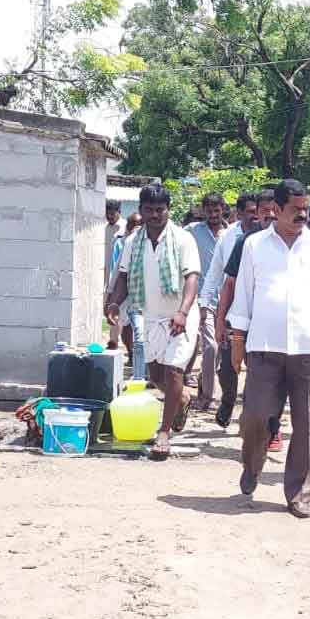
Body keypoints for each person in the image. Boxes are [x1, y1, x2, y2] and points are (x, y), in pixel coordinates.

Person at [227, 179, 310, 518]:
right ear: (277, 209)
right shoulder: (254, 245)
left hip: (308, 348)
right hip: (264, 346)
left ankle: (299, 493)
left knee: (307, 423)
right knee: (255, 415)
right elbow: (243, 296)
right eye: (296, 209)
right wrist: (237, 342)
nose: (303, 215)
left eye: (306, 208)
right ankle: (252, 465)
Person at [106, 184, 202, 460]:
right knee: (157, 376)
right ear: (141, 210)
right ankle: (180, 399)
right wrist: (115, 303)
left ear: (168, 210)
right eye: (149, 210)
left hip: (180, 316)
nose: (155, 215)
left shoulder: (183, 239)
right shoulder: (133, 241)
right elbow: (124, 276)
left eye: (160, 209)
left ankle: (164, 432)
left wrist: (183, 312)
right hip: (149, 317)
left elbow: (192, 277)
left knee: (173, 371)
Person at [215, 191, 282, 451]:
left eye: (274, 209)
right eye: (264, 210)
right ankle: (234, 405)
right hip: (242, 322)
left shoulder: (294, 242)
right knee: (233, 370)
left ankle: (272, 428)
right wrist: (221, 320)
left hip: (274, 324)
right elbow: (230, 284)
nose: (270, 215)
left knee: (269, 378)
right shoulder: (246, 242)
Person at [203, 191, 258, 428]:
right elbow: (216, 273)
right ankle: (228, 399)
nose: (256, 217)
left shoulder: (268, 239)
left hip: (259, 315)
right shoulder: (228, 238)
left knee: (257, 367)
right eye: (251, 213)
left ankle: (251, 411)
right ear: (239, 213)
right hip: (231, 313)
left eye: (258, 212)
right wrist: (206, 305)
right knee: (227, 367)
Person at [184, 193, 227, 411]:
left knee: (220, 350)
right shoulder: (193, 231)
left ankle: (204, 381)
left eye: (216, 210)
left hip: (226, 300)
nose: (213, 215)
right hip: (202, 299)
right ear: (203, 211)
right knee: (210, 346)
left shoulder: (231, 233)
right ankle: (208, 397)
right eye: (209, 211)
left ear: (223, 210)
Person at [106, 212, 144, 369]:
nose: (136, 227)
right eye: (133, 224)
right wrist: (110, 295)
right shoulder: (124, 242)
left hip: (144, 295)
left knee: (141, 332)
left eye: (139, 224)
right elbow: (117, 271)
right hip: (124, 292)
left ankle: (142, 366)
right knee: (124, 324)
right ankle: (131, 354)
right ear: (127, 227)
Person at [103, 201, 125, 302]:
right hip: (107, 269)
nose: (109, 216)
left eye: (112, 214)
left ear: (119, 212)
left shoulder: (125, 227)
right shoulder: (105, 228)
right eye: (107, 214)